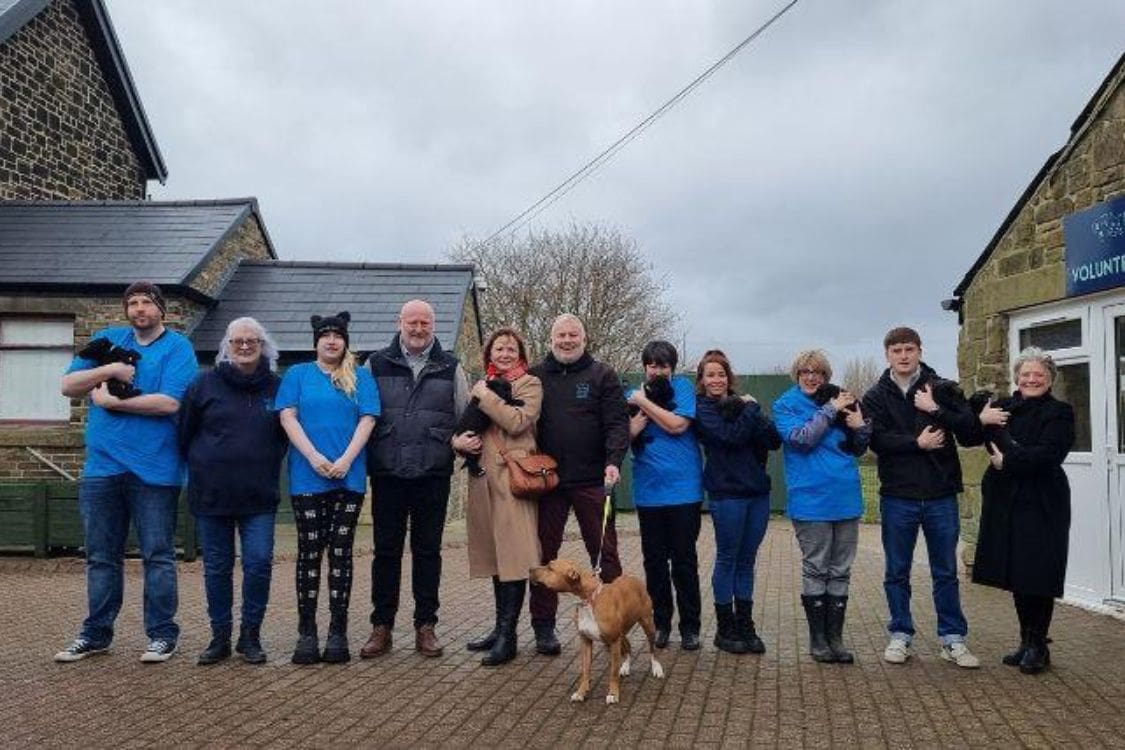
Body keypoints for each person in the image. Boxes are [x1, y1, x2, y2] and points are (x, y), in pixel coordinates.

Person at [54, 281, 198, 664]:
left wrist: (111, 402)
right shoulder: (108, 339)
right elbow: (68, 385)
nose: (138, 309)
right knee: (101, 556)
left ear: (161, 310)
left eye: (146, 303)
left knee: (158, 555)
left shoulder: (177, 348)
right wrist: (112, 368)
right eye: (132, 303)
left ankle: (163, 635)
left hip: (155, 470)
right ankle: (96, 634)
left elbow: (169, 403)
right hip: (102, 469)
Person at [861, 326, 980, 668]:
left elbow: (970, 431)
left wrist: (936, 409)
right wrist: (917, 443)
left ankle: (953, 638)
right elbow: (877, 441)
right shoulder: (875, 396)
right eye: (896, 350)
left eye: (909, 349)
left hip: (940, 493)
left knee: (945, 571)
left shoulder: (940, 388)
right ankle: (901, 634)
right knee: (897, 571)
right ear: (887, 354)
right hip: (899, 496)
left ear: (919, 351)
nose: (903, 356)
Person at [360, 299, 469, 659]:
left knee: (428, 553)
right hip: (388, 471)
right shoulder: (374, 364)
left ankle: (426, 625)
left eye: (425, 322)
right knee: (386, 552)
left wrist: (457, 443)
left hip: (432, 473)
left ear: (433, 325)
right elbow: (363, 413)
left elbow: (464, 417)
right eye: (412, 322)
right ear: (400, 323)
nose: (418, 329)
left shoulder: (451, 367)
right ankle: (382, 626)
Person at [178, 317, 287, 665]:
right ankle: (220, 637)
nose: (244, 346)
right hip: (212, 495)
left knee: (258, 564)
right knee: (217, 568)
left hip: (259, 497)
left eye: (251, 341)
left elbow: (286, 435)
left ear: (263, 346)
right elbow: (184, 434)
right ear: (227, 345)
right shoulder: (203, 384)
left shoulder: (276, 387)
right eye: (237, 341)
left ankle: (250, 636)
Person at [277, 311, 379, 664]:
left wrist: (347, 459)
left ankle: (338, 631)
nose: (331, 340)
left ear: (345, 341)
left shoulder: (360, 377)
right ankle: (307, 631)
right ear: (316, 341)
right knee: (309, 551)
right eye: (325, 335)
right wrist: (313, 456)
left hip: (348, 477)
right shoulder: (297, 375)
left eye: (338, 335)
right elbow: (287, 416)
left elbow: (367, 420)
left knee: (340, 552)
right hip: (308, 477)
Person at [527, 313, 630, 655]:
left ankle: (614, 620)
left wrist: (613, 462)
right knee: (544, 557)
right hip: (548, 483)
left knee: (606, 555)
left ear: (584, 340)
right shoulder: (536, 376)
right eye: (561, 336)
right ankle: (543, 628)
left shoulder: (603, 375)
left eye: (573, 335)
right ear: (551, 339)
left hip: (593, 481)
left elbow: (617, 424)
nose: (567, 340)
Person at [972, 347, 1075, 674]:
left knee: (1038, 572)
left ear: (1049, 380)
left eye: (1038, 375)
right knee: (1017, 571)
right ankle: (1025, 641)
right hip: (1007, 499)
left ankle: (1039, 645)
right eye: (1026, 374)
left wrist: (1009, 460)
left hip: (1043, 500)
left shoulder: (1060, 412)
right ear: (1017, 378)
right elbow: (971, 429)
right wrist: (980, 418)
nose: (1031, 379)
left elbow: (1050, 453)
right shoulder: (1003, 407)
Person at [773, 350, 870, 664]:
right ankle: (818, 640)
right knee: (817, 567)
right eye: (805, 371)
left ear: (826, 375)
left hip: (845, 496)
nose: (811, 376)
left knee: (840, 570)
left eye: (817, 372)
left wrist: (860, 425)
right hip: (810, 499)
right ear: (797, 374)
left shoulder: (843, 399)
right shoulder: (785, 404)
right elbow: (802, 439)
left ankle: (835, 639)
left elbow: (859, 447)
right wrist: (830, 409)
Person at [454, 327, 543, 666]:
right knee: (495, 556)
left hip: (513, 480)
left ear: (520, 354)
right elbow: (465, 426)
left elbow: (517, 421)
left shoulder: (529, 385)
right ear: (489, 354)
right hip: (481, 479)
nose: (504, 354)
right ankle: (498, 628)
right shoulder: (483, 383)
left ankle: (509, 636)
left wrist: (485, 395)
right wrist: (457, 443)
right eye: (498, 349)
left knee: (514, 557)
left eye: (510, 349)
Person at [693, 349, 780, 654]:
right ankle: (724, 627)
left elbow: (773, 439)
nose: (716, 379)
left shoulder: (743, 406)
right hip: (727, 494)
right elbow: (729, 437)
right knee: (728, 558)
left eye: (721, 374)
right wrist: (752, 410)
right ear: (702, 380)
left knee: (747, 561)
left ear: (729, 377)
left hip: (757, 492)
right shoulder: (703, 409)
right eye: (710, 375)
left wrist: (753, 411)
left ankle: (745, 624)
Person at [628, 340, 704, 650]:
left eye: (664, 366)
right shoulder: (630, 394)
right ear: (645, 367)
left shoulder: (684, 390)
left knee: (684, 561)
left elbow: (676, 426)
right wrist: (634, 423)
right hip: (649, 494)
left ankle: (691, 627)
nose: (658, 371)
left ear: (672, 368)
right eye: (653, 365)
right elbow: (625, 434)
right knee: (654, 563)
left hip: (684, 491)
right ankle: (661, 623)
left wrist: (643, 404)